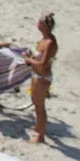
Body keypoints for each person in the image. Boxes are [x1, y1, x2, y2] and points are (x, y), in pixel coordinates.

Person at [21, 13, 57, 143]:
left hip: (42, 77)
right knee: (36, 103)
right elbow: (39, 58)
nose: (37, 24)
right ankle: (38, 126)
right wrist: (30, 57)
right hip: (37, 75)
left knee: (40, 106)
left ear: (43, 26)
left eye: (39, 22)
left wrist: (29, 60)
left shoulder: (49, 43)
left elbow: (43, 63)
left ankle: (40, 137)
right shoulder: (43, 39)